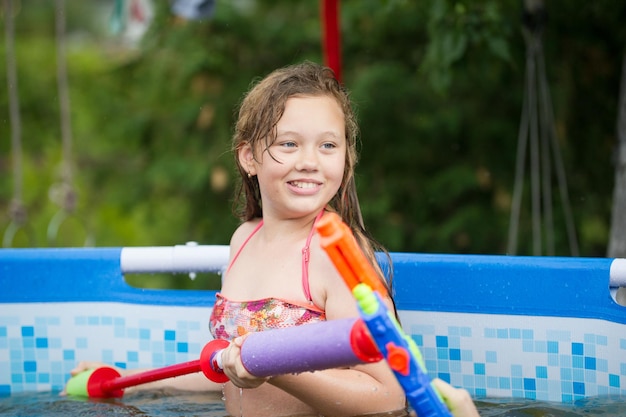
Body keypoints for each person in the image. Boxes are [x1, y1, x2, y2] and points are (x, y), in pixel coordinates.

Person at [66, 61, 481, 417]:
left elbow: (388, 395)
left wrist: (275, 367)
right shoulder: (244, 238)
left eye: (328, 146)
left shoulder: (333, 252)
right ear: (249, 157)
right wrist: (130, 383)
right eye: (288, 143)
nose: (309, 161)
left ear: (346, 157)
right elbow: (226, 372)